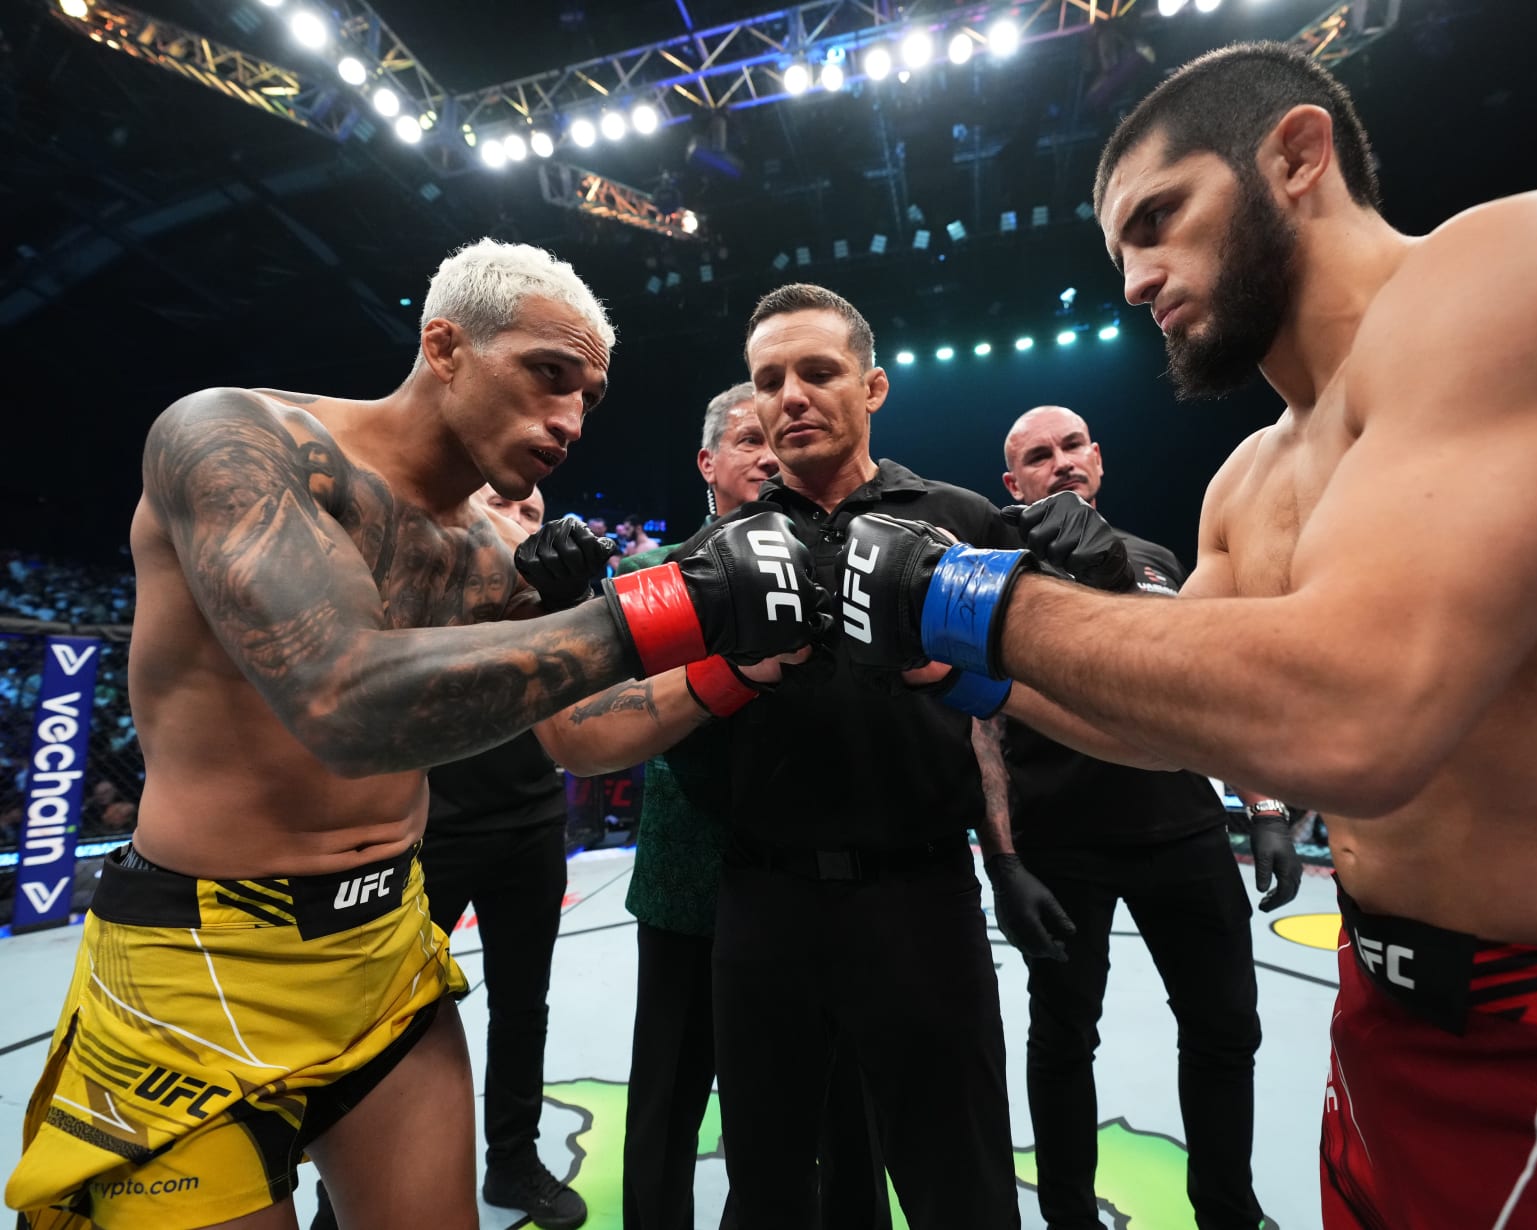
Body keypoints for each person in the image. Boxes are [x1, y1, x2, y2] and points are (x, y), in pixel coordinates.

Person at [839, 41, 1537, 1229]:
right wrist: (954, 665)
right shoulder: (1250, 476)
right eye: (1121, 252)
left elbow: (1354, 716)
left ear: (1296, 154)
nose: (1137, 280)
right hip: (1386, 1016)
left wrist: (959, 594)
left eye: (1160, 217)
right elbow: (1176, 726)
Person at [5, 238, 826, 1230]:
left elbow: (580, 737)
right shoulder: (232, 439)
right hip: (197, 957)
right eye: (548, 376)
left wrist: (733, 660)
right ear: (446, 347)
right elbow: (343, 704)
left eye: (589, 399)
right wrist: (662, 606)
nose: (568, 419)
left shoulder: (494, 550)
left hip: (388, 948)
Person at [522, 286, 1023, 1228]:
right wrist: (731, 672)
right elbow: (588, 733)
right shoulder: (715, 554)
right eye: (769, 380)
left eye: (817, 372)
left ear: (872, 387)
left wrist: (946, 682)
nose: (788, 396)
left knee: (961, 1183)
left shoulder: (959, 523)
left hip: (920, 899)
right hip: (759, 906)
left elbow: (1029, 704)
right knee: (770, 1187)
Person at [971, 404, 1291, 1230]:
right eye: (1039, 456)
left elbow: (1208, 686)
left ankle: (1227, 1210)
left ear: (1099, 459)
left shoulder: (1151, 559)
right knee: (1064, 1037)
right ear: (1015, 483)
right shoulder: (992, 573)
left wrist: (1264, 805)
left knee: (1226, 1030)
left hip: (1180, 829)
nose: (1062, 462)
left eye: (1073, 445)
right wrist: (1003, 861)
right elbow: (982, 724)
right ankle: (1069, 1217)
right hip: (1060, 844)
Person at [578, 381, 885, 1229]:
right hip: (691, 879)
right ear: (708, 463)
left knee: (829, 1099)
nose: (767, 454)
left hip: (821, 881)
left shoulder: (839, 564)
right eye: (747, 440)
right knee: (671, 1092)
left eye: (775, 442)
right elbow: (595, 724)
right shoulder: (652, 573)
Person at [309, 483, 587, 1230]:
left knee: (524, 1005)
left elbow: (588, 711)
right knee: (384, 1020)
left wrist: (574, 599)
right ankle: (340, 1195)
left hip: (529, 820)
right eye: (504, 505)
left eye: (533, 514)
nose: (520, 524)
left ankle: (514, 1164)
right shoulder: (421, 576)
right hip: (426, 829)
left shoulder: (548, 601)